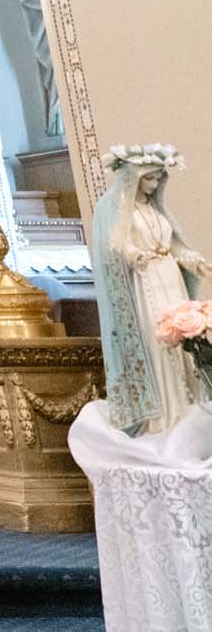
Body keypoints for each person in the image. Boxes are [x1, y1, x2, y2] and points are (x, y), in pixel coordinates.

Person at [92, 143, 208, 435]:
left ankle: (193, 405)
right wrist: (132, 254)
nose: (155, 184)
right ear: (134, 178)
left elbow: (171, 245)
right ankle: (168, 412)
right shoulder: (123, 213)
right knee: (159, 340)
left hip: (170, 277)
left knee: (184, 340)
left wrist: (193, 260)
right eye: (150, 178)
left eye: (159, 178)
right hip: (147, 283)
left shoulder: (157, 212)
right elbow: (117, 244)